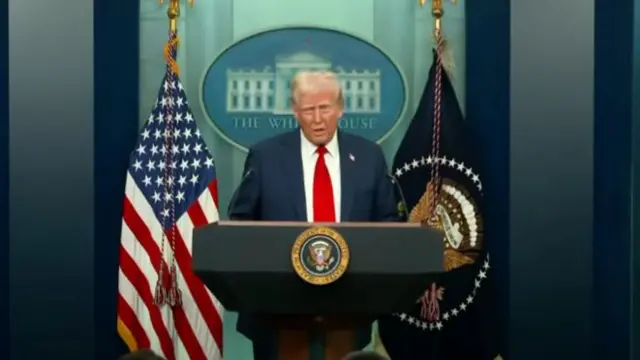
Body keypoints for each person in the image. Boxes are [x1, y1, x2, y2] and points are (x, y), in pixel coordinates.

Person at [228, 70, 399, 360]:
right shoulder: (265, 156)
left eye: (325, 108)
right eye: (309, 110)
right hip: (279, 313)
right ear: (295, 112)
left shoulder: (369, 156)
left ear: (340, 108)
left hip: (348, 309)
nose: (318, 119)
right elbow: (240, 223)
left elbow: (389, 224)